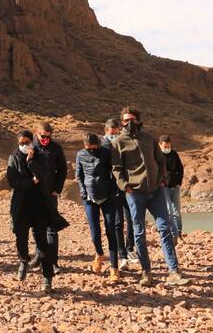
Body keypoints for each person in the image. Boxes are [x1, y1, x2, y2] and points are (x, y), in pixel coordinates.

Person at [110, 108, 188, 286]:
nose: (129, 123)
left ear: (138, 120)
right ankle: (146, 272)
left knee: (165, 228)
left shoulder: (149, 138)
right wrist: (125, 186)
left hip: (156, 191)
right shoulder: (118, 142)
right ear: (121, 122)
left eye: (132, 119)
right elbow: (116, 168)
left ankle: (174, 271)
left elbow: (160, 161)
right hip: (135, 193)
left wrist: (162, 180)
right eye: (125, 120)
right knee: (139, 232)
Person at [7, 130, 68, 294]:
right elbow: (13, 181)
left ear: (32, 142)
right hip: (21, 206)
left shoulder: (40, 156)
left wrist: (31, 162)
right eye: (21, 143)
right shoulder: (13, 157)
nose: (24, 145)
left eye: (27, 142)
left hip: (40, 205)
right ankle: (23, 261)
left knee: (42, 242)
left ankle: (47, 277)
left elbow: (45, 176)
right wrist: (31, 181)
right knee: (21, 238)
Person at [76, 133, 122, 279]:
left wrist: (114, 191)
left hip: (108, 197)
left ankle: (114, 268)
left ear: (98, 145)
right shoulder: (80, 155)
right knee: (95, 232)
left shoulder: (106, 153)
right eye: (88, 148)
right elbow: (79, 175)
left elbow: (114, 173)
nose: (91, 151)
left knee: (111, 231)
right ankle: (99, 255)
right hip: (89, 198)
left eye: (93, 148)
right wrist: (83, 192)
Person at [30, 122, 66, 273]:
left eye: (48, 137)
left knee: (51, 229)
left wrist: (57, 189)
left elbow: (62, 170)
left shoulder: (56, 148)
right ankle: (40, 255)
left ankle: (53, 261)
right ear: (36, 134)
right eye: (42, 136)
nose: (45, 139)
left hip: (50, 193)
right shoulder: (30, 147)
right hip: (34, 193)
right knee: (37, 227)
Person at [104, 117, 137, 265]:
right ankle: (121, 253)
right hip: (112, 188)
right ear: (106, 132)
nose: (114, 136)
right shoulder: (103, 146)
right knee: (118, 221)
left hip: (126, 185)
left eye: (116, 133)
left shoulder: (123, 143)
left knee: (132, 218)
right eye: (112, 134)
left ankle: (130, 248)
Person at [160, 134, 185, 240]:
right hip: (164, 187)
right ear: (160, 145)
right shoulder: (157, 155)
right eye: (165, 146)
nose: (167, 148)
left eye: (168, 146)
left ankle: (179, 232)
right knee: (169, 211)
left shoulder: (174, 154)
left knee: (177, 211)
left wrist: (179, 182)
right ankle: (173, 233)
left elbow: (180, 168)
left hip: (175, 186)